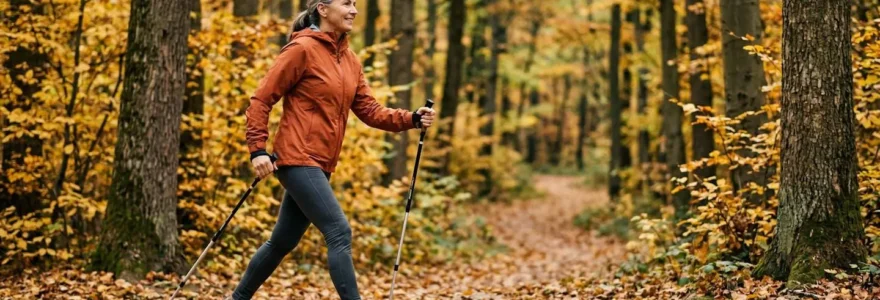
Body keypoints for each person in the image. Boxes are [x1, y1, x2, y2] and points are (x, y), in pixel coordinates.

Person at [230, 0, 435, 299]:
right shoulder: (301, 50)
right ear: (322, 9)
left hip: (321, 163)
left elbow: (370, 110)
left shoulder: (349, 60)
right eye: (346, 3)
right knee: (339, 232)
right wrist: (257, 149)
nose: (354, 10)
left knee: (282, 242)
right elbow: (261, 100)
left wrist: (411, 119)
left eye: (355, 4)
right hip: (297, 157)